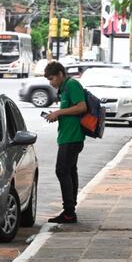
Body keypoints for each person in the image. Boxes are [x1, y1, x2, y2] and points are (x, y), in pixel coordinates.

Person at [43, 61, 87, 224]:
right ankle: (70, 209)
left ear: (61, 74)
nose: (51, 82)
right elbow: (72, 110)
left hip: (72, 137)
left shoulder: (72, 85)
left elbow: (81, 107)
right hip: (67, 136)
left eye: (52, 78)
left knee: (62, 171)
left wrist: (59, 112)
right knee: (69, 171)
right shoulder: (65, 87)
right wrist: (57, 115)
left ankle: (69, 211)